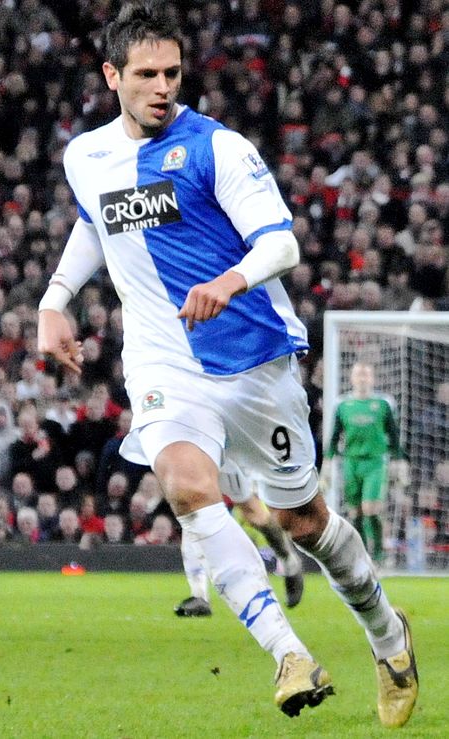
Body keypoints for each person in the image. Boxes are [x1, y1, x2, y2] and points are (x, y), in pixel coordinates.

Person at [37, 2, 417, 726]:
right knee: (186, 486)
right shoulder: (85, 155)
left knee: (301, 519)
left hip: (252, 358)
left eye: (172, 73)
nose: (161, 87)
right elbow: (96, 220)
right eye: (145, 74)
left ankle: (387, 634)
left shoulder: (219, 147)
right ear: (111, 74)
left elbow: (281, 244)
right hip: (162, 361)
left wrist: (230, 280)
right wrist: (56, 299)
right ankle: (289, 653)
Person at [175, 462, 304, 616]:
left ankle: (289, 560)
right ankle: (199, 596)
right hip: (197, 458)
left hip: (225, 458)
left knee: (254, 514)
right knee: (191, 517)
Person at [321, 362, 410, 565]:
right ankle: (360, 556)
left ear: (372, 378)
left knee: (371, 508)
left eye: (366, 374)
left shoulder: (383, 404)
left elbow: (393, 435)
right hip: (351, 462)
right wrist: (327, 464)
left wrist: (400, 462)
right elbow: (335, 437)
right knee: (355, 512)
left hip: (375, 462)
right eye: (358, 374)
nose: (362, 378)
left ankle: (379, 555)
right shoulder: (343, 405)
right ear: (351, 378)